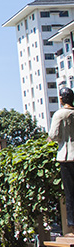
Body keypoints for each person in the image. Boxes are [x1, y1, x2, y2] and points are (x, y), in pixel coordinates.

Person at [50, 87, 74, 235]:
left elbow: (53, 135)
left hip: (66, 156)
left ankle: (71, 223)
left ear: (60, 99)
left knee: (70, 193)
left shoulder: (60, 114)